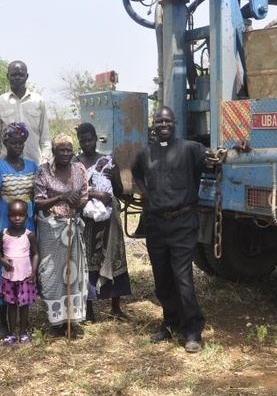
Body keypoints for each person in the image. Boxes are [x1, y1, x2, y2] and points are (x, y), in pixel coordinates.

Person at [131, 106, 208, 354]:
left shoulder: (190, 148)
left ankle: (193, 330)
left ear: (175, 123)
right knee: (162, 278)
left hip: (183, 222)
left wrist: (236, 150)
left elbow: (212, 160)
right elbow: (135, 173)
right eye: (158, 121)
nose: (163, 124)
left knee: (183, 278)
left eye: (167, 120)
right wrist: (145, 192)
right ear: (153, 124)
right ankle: (170, 323)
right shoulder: (145, 154)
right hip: (155, 223)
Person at [74, 123, 131, 322]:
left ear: (96, 138)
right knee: (88, 259)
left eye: (90, 139)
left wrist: (113, 177)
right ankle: (89, 309)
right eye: (83, 140)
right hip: (87, 218)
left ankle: (116, 306)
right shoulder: (75, 162)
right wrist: (95, 193)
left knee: (113, 255)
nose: (87, 143)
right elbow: (74, 191)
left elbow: (121, 189)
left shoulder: (107, 160)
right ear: (78, 140)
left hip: (110, 217)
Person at [34, 133, 89, 336]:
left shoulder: (79, 169)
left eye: (68, 149)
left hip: (72, 226)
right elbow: (38, 201)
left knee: (72, 273)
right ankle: (54, 321)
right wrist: (62, 197)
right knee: (50, 272)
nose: (65, 153)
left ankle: (70, 321)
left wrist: (77, 202)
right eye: (61, 150)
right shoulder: (44, 171)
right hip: (51, 227)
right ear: (54, 152)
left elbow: (84, 195)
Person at [0, 122, 38, 336]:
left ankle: (25, 317)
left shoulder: (32, 166)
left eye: (21, 143)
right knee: (4, 267)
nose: (17, 146)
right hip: (3, 220)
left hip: (26, 220)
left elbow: (35, 197)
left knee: (24, 265)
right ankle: (3, 321)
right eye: (13, 143)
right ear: (5, 142)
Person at [0, 60, 52, 166]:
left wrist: (45, 162)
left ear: (27, 76)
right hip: (7, 167)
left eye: (21, 74)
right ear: (8, 76)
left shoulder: (38, 101)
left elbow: (45, 136)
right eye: (14, 74)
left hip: (35, 164)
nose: (17, 77)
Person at [0, 199, 39, 345]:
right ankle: (12, 334)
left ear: (26, 216)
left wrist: (34, 272)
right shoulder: (3, 234)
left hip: (25, 277)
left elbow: (36, 254)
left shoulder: (29, 235)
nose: (17, 218)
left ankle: (23, 333)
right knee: (11, 306)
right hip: (9, 278)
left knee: (24, 307)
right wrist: (2, 261)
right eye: (13, 215)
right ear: (8, 216)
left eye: (21, 215)